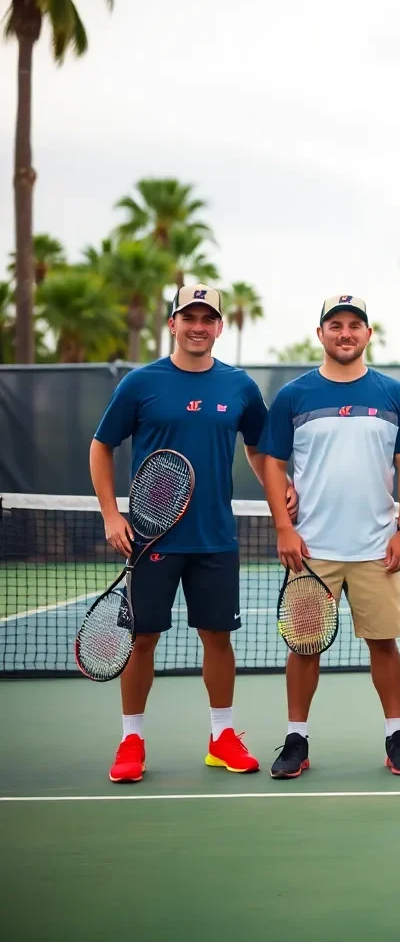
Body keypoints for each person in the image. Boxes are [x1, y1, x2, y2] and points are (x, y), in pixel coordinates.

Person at [92, 285, 294, 783]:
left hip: (215, 540)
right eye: (189, 317)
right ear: (173, 324)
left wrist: (280, 482)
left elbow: (258, 446)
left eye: (208, 318)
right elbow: (101, 447)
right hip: (151, 540)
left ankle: (222, 737)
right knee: (142, 640)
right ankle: (131, 740)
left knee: (218, 638)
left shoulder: (240, 387)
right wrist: (111, 515)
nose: (198, 326)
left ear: (220, 327)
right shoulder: (141, 384)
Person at [259, 294, 400, 779]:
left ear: (368, 335)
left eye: (355, 325)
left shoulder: (394, 394)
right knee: (303, 646)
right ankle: (296, 740)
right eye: (336, 325)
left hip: (377, 548)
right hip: (311, 552)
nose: (345, 333)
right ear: (321, 334)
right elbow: (273, 463)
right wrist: (284, 528)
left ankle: (396, 736)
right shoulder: (294, 396)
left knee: (384, 644)